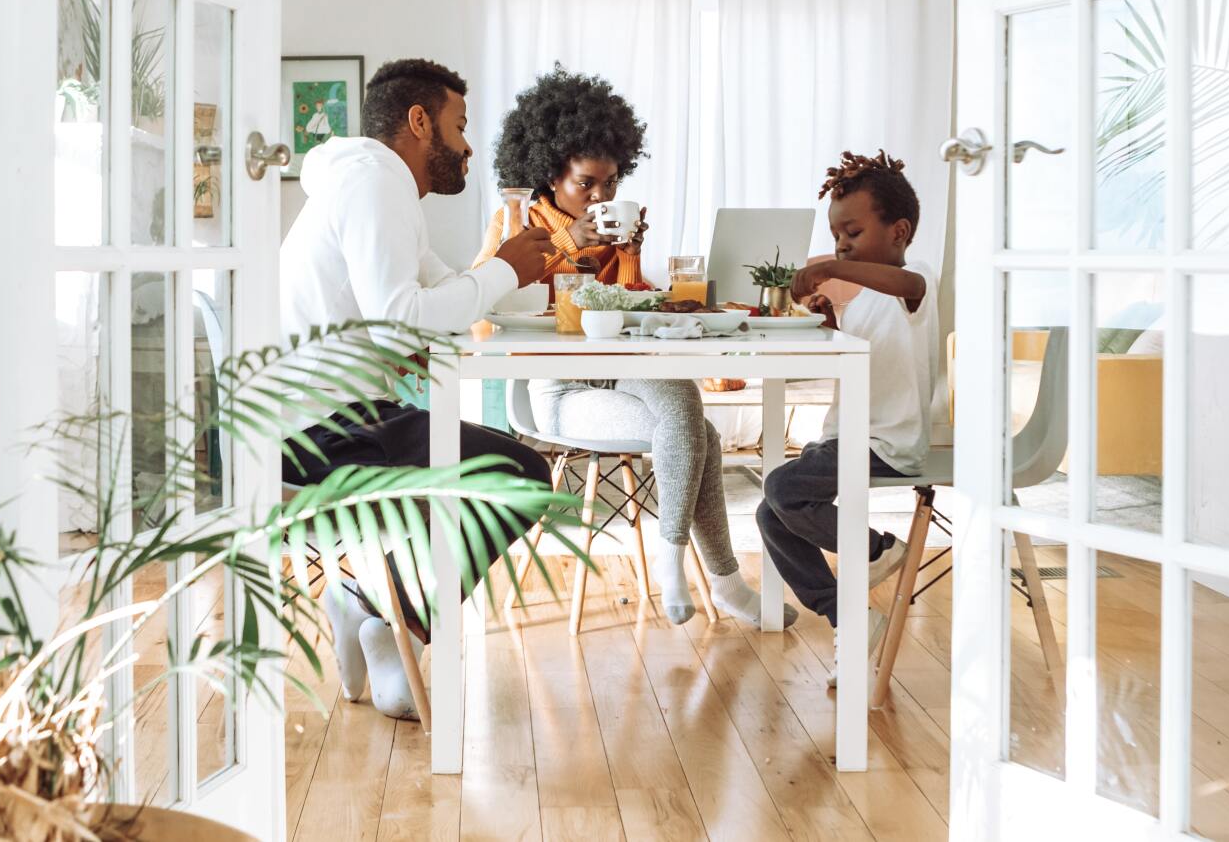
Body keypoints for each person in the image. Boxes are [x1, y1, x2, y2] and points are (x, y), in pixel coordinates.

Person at [281, 57, 556, 719]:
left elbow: (430, 294)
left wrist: (495, 274)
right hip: (313, 432)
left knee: (503, 466)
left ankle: (374, 609)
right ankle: (382, 616)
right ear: (417, 121)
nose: (466, 147)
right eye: (459, 126)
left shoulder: (371, 185)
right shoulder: (376, 184)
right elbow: (404, 315)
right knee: (520, 474)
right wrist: (503, 269)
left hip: (331, 413)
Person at [473, 66, 774, 627]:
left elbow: (622, 310)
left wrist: (631, 254)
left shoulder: (612, 227)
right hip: (556, 388)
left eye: (610, 183)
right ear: (549, 172)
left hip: (618, 370)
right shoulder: (514, 222)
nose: (600, 196)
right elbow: (484, 304)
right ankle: (716, 580)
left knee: (685, 402)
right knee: (698, 431)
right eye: (585, 183)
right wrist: (566, 242)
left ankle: (676, 564)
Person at [754, 150, 947, 683]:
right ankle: (849, 616)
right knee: (771, 513)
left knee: (784, 490)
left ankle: (879, 550)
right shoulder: (864, 301)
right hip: (844, 436)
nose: (841, 245)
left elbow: (906, 291)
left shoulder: (916, 281)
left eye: (853, 233)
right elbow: (856, 355)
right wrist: (830, 318)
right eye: (837, 236)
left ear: (900, 232)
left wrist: (833, 268)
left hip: (886, 442)